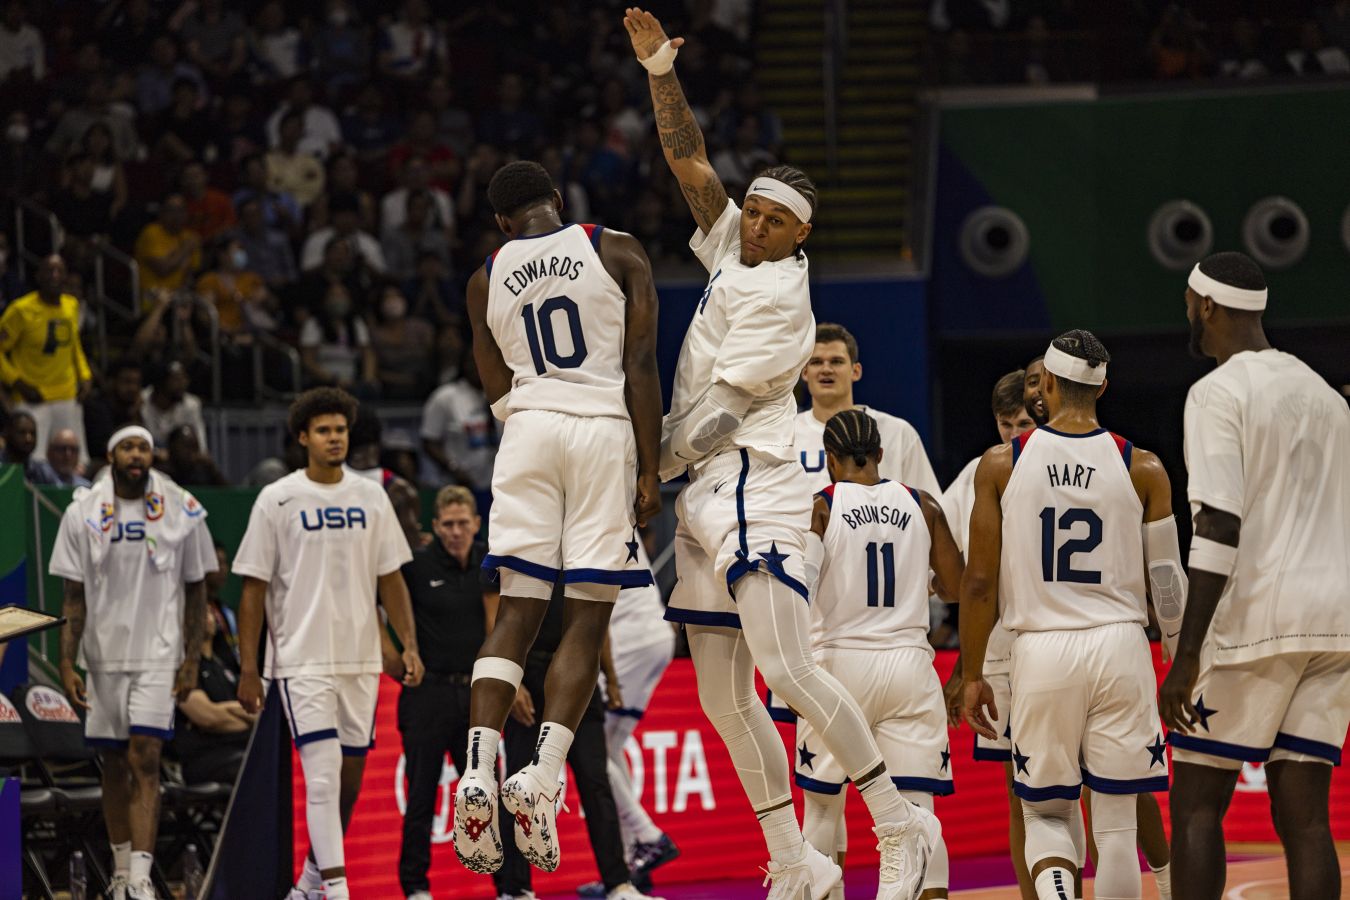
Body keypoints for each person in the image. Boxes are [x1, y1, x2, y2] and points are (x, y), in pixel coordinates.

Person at [625, 8, 939, 897]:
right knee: (724, 700)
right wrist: (658, 69)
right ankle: (797, 859)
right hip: (704, 498)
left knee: (788, 670)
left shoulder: (783, 304)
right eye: (752, 212)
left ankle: (895, 822)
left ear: (802, 232)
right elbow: (689, 163)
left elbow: (721, 416)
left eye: (770, 219)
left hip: (748, 482)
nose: (752, 225)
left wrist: (650, 469)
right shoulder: (736, 248)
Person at [450, 158, 662, 882]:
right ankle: (540, 775)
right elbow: (640, 364)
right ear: (559, 204)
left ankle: (479, 766)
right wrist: (648, 467)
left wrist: (530, 422)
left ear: (505, 225)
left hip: (529, 429)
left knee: (516, 609)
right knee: (588, 616)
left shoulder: (485, 276)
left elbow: (492, 381)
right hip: (600, 426)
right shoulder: (617, 248)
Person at [960, 330, 1178, 900]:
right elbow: (1168, 584)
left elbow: (979, 581)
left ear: (1048, 383)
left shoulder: (1001, 464)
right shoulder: (1145, 466)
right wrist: (1179, 657)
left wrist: (974, 670)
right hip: (1120, 646)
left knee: (1046, 817)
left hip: (1041, 649)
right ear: (1103, 386)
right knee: (1116, 825)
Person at [1159, 252, 1350, 900]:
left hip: (1260, 617)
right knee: (1305, 820)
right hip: (1335, 623)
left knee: (1195, 801)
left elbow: (1217, 524)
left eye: (1189, 303)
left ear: (1207, 305)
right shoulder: (1326, 396)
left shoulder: (1217, 391)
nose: (1188, 314)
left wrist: (1186, 658)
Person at [233, 387, 424, 900]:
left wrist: (406, 643)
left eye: (340, 429)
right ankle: (336, 892)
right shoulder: (277, 498)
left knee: (348, 784)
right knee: (320, 778)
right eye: (323, 431)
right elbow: (252, 588)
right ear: (303, 438)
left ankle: (310, 882)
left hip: (360, 659)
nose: (335, 438)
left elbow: (391, 580)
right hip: (301, 660)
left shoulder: (371, 496)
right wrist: (249, 668)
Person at [798, 410, 965, 900]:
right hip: (909, 665)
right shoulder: (923, 504)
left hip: (838, 668)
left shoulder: (822, 506)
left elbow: (801, 591)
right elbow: (955, 586)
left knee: (824, 809)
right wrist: (922, 580)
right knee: (919, 813)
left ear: (829, 459)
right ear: (880, 455)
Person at [50, 425, 216, 900]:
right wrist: (66, 663)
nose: (137, 455)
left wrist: (188, 662)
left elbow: (195, 587)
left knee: (146, 755)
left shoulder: (181, 508)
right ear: (111, 455)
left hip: (159, 655)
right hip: (103, 657)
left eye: (143, 447)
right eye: (128, 447)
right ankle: (120, 872)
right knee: (114, 763)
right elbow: (73, 596)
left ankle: (142, 879)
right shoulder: (82, 512)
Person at [493, 580, 658, 900]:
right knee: (518, 788)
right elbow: (497, 622)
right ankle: (516, 890)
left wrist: (610, 677)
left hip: (579, 675)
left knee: (596, 782)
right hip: (529, 673)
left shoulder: (583, 555)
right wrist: (511, 680)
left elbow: (597, 623)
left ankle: (618, 884)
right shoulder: (520, 551)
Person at [397, 486, 496, 900]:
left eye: (463, 524)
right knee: (421, 796)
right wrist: (398, 657)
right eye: (448, 525)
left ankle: (509, 887)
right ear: (435, 527)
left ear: (476, 523)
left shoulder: (489, 563)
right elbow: (379, 607)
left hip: (474, 697)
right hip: (428, 696)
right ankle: (416, 887)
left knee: (485, 795)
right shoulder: (415, 565)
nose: (456, 532)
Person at [577, 531, 679, 898]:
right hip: (653, 632)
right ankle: (624, 866)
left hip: (629, 637)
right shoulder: (610, 511)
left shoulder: (582, 520)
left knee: (585, 746)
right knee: (608, 748)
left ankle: (648, 836)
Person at [794, 322, 939, 496]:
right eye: (817, 362)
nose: (826, 369)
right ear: (804, 373)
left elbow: (927, 506)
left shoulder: (898, 433)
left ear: (856, 371)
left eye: (836, 361)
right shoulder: (786, 434)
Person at [0, 254, 92, 462]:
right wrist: (17, 382)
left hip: (67, 395)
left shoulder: (71, 306)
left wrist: (85, 376)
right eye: (49, 271)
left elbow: (73, 345)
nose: (55, 276)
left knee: (74, 459)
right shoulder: (21, 310)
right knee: (34, 460)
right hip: (33, 398)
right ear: (38, 276)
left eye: (60, 271)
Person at [172, 608, 254, 785]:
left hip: (242, 746)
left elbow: (257, 711)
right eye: (200, 610)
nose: (207, 616)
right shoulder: (183, 670)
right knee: (253, 765)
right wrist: (245, 718)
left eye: (209, 611)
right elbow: (208, 718)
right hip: (206, 757)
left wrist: (223, 710)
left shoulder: (224, 667)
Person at [134, 195, 202, 308]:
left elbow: (191, 272)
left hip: (177, 296)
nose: (177, 215)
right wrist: (185, 249)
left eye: (181, 210)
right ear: (161, 213)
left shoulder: (189, 236)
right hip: (151, 296)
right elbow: (162, 270)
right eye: (171, 210)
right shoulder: (151, 233)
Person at [84, 358, 144, 462]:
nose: (133, 388)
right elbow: (102, 448)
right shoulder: (96, 407)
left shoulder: (132, 407)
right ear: (111, 382)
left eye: (136, 383)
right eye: (127, 382)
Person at [141, 361, 208, 452]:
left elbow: (200, 445)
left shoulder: (191, 404)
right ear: (161, 382)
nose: (183, 383)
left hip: (177, 459)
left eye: (184, 378)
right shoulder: (142, 400)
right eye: (176, 379)